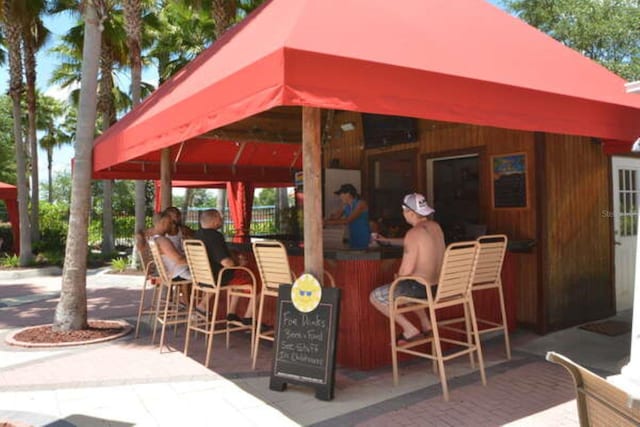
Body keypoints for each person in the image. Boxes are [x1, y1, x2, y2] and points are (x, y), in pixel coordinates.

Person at [369, 193, 445, 344]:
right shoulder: (435, 227)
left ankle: (410, 330)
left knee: (376, 297)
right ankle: (426, 325)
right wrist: (387, 241)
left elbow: (405, 272)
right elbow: (416, 242)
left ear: (409, 212)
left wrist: (398, 277)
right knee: (408, 287)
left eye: (404, 211)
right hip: (438, 286)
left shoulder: (413, 233)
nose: (403, 215)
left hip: (421, 289)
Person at [193, 209, 254, 322]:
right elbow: (227, 263)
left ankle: (230, 313)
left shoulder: (197, 235)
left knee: (241, 273)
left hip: (202, 277)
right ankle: (248, 317)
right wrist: (239, 263)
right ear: (215, 219)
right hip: (219, 277)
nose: (222, 220)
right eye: (220, 218)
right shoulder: (215, 236)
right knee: (254, 280)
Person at [325, 183, 371, 249]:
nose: (340, 197)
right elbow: (335, 217)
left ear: (348, 194)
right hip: (353, 236)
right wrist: (325, 219)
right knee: (353, 257)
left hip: (363, 236)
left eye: (341, 194)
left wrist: (326, 222)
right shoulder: (345, 205)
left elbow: (347, 221)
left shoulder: (361, 204)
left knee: (362, 257)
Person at [148, 213, 191, 282]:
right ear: (163, 223)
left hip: (173, 272)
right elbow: (179, 260)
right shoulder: (163, 241)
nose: (172, 226)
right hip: (178, 273)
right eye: (170, 223)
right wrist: (195, 261)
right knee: (208, 276)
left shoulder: (153, 239)